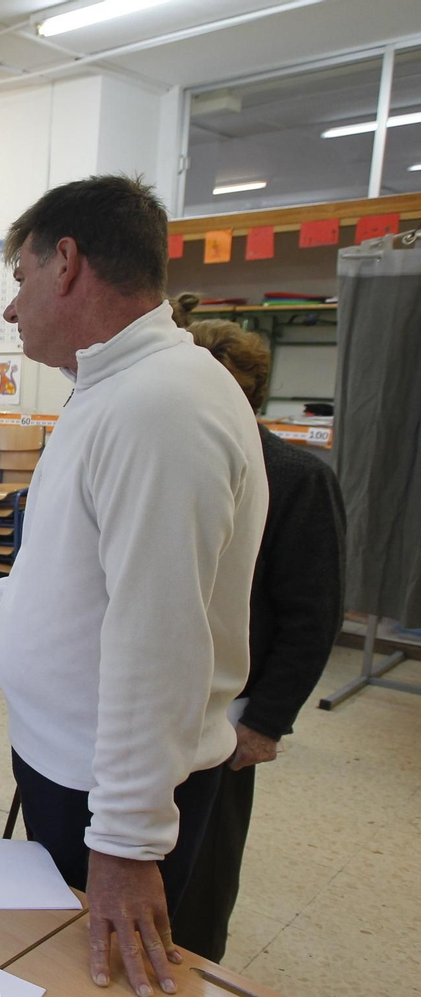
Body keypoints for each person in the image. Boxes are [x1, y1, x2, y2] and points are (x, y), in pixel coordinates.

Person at [0, 175, 266, 997]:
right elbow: (87, 559)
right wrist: (10, 604)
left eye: (19, 278)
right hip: (67, 766)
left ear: (67, 262)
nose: (12, 309)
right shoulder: (108, 386)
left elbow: (162, 641)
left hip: (109, 799)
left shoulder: (161, 404)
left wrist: (126, 842)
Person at [168, 314, 346, 961]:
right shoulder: (169, 460)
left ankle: (188, 986)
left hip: (228, 714)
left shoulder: (297, 477)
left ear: (249, 396)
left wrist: (265, 722)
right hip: (150, 701)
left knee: (200, 876)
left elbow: (312, 615)